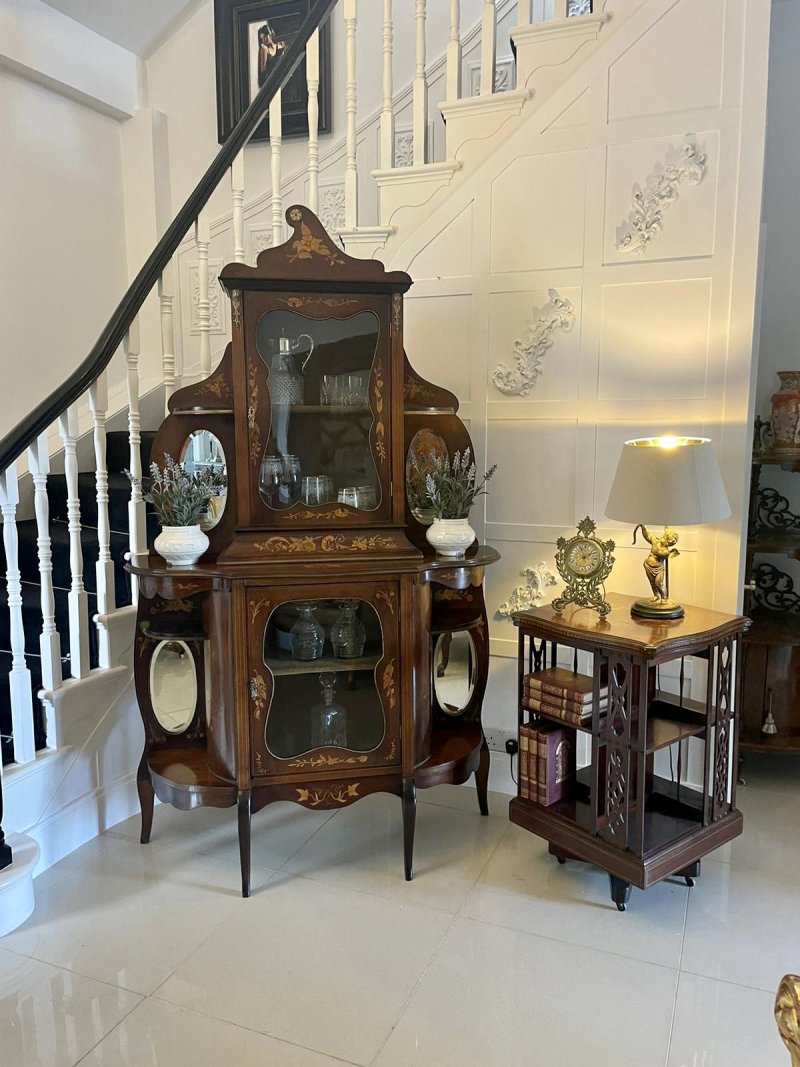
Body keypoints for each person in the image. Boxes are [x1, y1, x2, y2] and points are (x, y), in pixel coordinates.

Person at [633, 525, 680, 602]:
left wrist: (655, 542)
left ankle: (664, 598)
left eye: (665, 538)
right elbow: (647, 536)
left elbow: (657, 552)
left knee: (659, 583)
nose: (662, 537)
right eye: (663, 536)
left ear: (668, 543)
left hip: (658, 569)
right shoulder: (656, 541)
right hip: (648, 565)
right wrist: (643, 528)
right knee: (652, 582)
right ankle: (656, 595)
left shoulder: (666, 551)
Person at [256, 22, 285, 89]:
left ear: (269, 35)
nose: (263, 40)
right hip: (268, 79)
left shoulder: (278, 46)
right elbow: (263, 71)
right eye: (261, 39)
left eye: (264, 37)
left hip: (279, 76)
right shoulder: (264, 49)